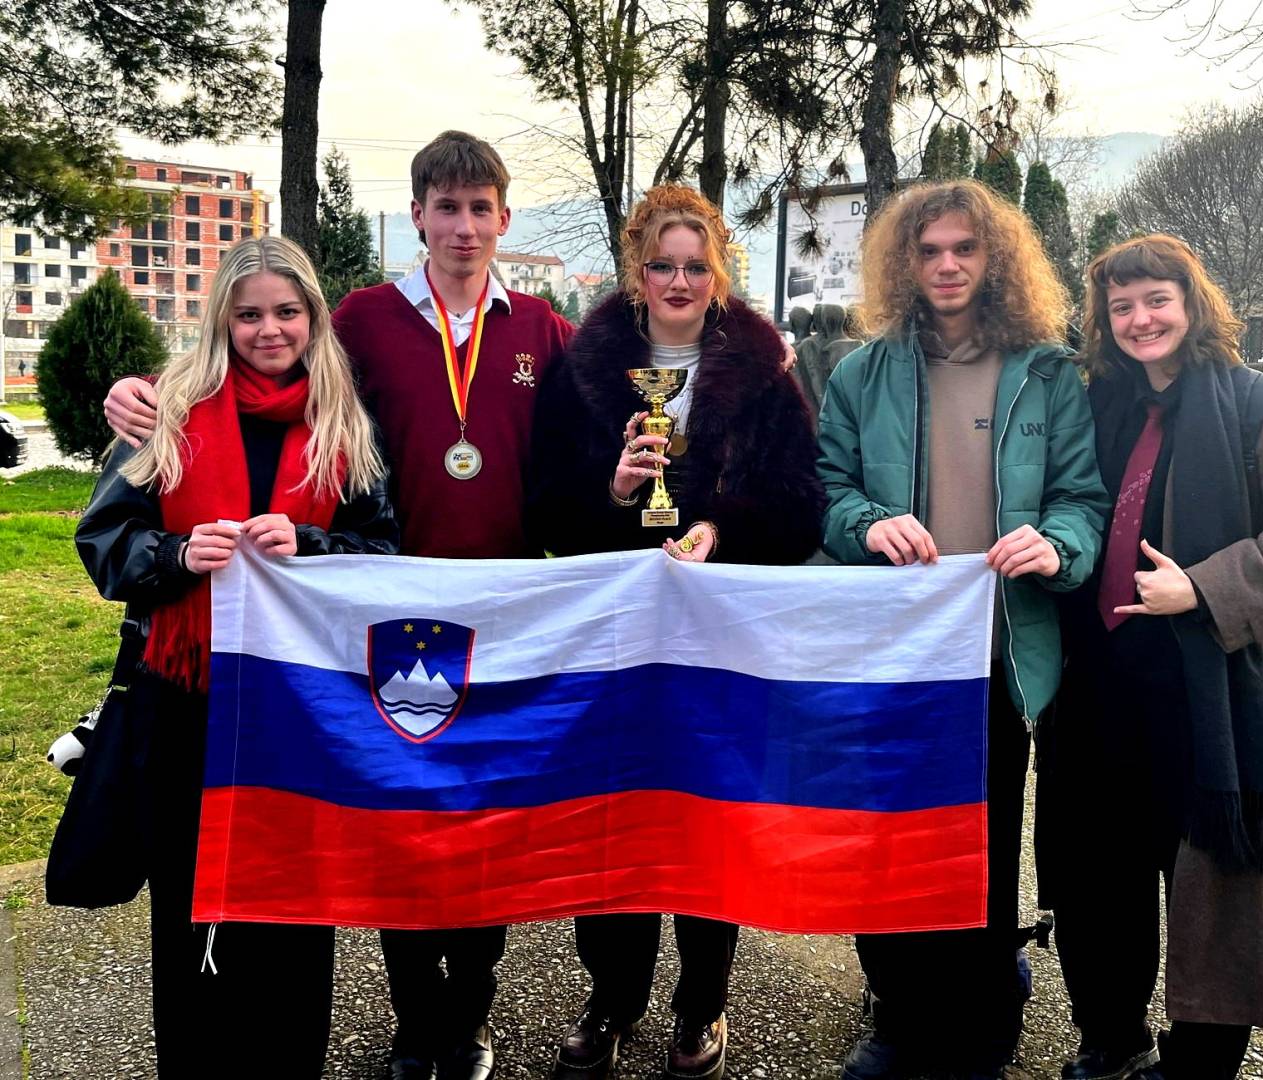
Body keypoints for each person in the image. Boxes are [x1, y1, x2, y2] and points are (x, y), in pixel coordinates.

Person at [103, 131, 575, 1080]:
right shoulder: (356, 323)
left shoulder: (541, 331)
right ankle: (410, 1023)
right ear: (419, 217)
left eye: (481, 209)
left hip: (490, 622)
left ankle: (461, 1017)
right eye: (447, 208)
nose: (465, 226)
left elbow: (572, 457)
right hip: (330, 644)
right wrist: (133, 403)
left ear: (503, 218)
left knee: (471, 832)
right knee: (384, 831)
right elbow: (123, 520)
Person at [75, 236, 397, 1079]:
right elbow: (104, 544)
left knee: (297, 906)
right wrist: (177, 555)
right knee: (189, 905)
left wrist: (312, 545)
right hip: (184, 699)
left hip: (300, 708)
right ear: (222, 319)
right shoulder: (167, 409)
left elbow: (382, 555)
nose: (268, 330)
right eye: (249, 314)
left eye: (286, 312)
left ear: (313, 317)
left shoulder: (343, 421)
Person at [526, 183, 823, 1080]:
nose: (680, 281)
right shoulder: (583, 368)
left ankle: (702, 1002)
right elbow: (544, 507)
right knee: (613, 819)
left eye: (697, 265)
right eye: (663, 264)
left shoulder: (767, 372)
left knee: (707, 821)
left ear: (718, 270)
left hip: (718, 637)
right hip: (615, 637)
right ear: (637, 269)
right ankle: (612, 997)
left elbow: (801, 509)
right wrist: (614, 490)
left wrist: (720, 528)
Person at [1038, 234, 1263, 1080]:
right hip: (1097, 686)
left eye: (1157, 301)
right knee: (1099, 876)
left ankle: (1201, 1059)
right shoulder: (1095, 407)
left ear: (1192, 304)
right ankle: (1111, 1037)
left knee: (1215, 886)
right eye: (1122, 306)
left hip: (1210, 689)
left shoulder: (1261, 408)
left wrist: (1205, 588)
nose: (1141, 320)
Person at [815, 179, 1108, 1080]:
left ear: (995, 259)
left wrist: (1057, 544)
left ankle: (984, 1016)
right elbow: (827, 492)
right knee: (885, 840)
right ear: (904, 263)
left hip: (995, 655)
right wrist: (867, 524)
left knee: (980, 843)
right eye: (929, 250)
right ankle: (900, 1013)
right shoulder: (861, 373)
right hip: (892, 652)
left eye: (965, 249)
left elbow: (1082, 500)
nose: (947, 265)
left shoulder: (1048, 373)